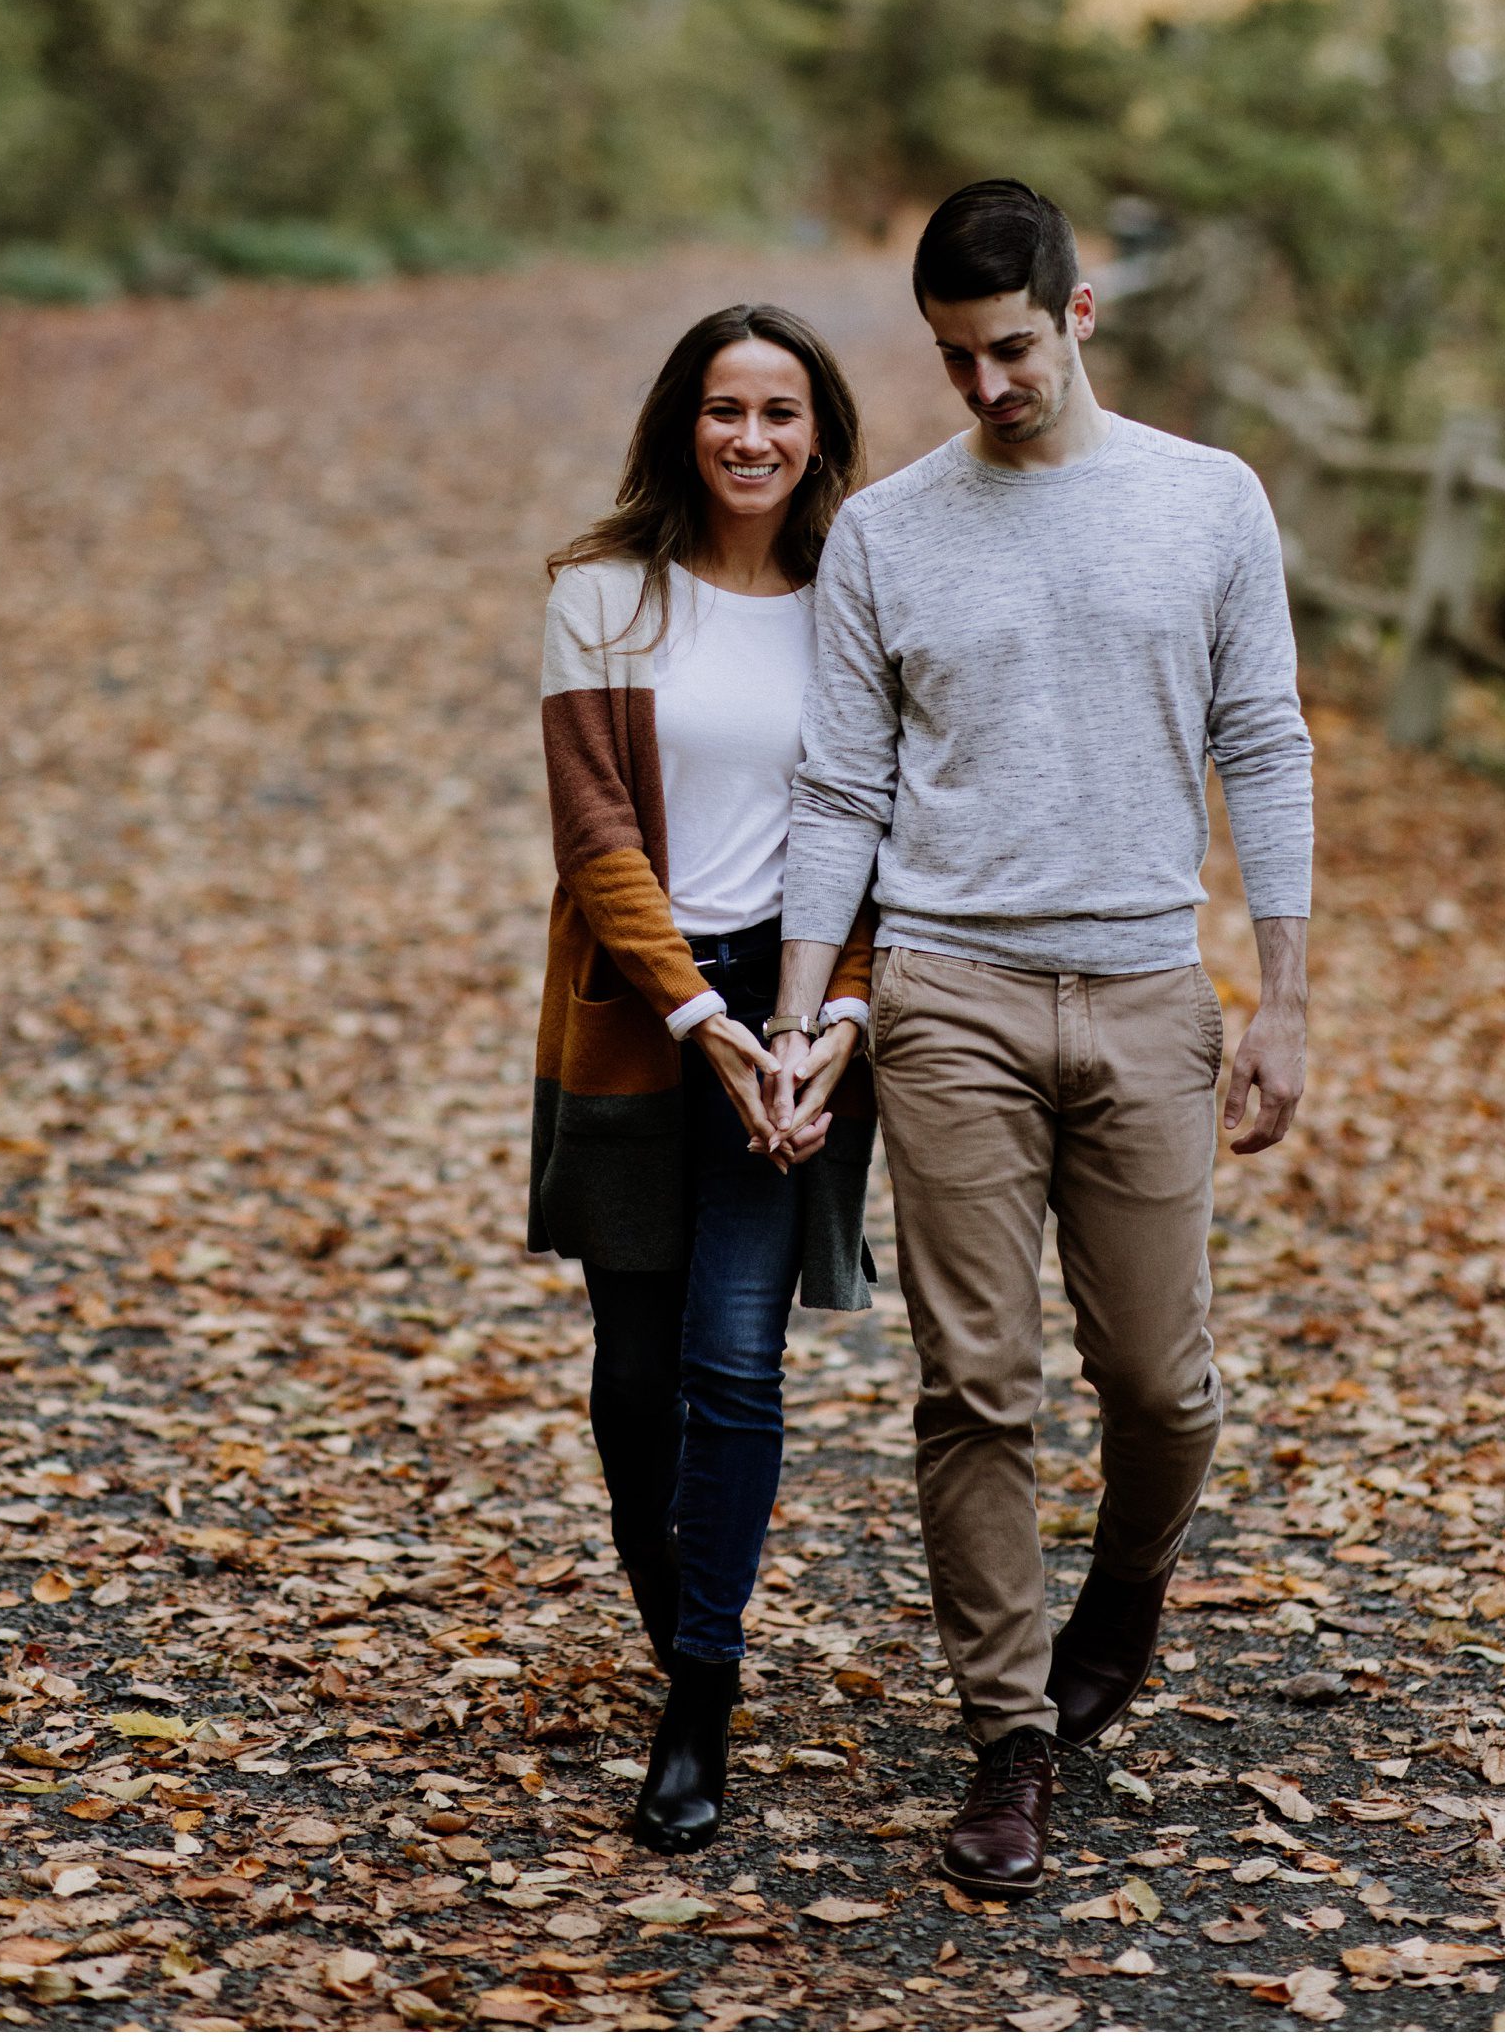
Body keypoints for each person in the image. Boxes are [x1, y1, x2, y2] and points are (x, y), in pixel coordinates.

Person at [765, 178, 1314, 1894]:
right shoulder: (887, 533)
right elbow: (841, 783)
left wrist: (1285, 996)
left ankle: (1129, 1580)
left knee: (1162, 1383)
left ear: (1079, 315)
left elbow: (1267, 745)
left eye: (1010, 347)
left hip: (1149, 986)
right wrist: (801, 1013)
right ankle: (1007, 1735)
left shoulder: (1207, 501)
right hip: (951, 1000)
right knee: (974, 1383)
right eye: (953, 358)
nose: (985, 385)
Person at [528, 301, 878, 1855]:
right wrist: (696, 1015)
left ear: (819, 435)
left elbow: (884, 846)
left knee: (735, 1358)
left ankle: (701, 1693)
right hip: (640, 1010)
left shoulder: (858, 610)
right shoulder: (602, 600)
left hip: (794, 1010)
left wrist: (828, 1019)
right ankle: (680, 1620)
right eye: (726, 409)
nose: (752, 438)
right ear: (686, 422)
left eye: (781, 413)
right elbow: (598, 835)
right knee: (633, 1374)